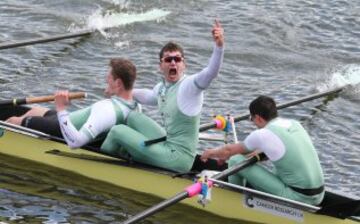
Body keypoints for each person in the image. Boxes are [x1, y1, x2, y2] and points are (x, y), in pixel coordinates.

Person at [100, 20, 225, 172]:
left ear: (183, 65)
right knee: (133, 117)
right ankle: (124, 149)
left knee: (117, 131)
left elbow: (211, 72)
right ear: (161, 66)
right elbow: (147, 96)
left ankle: (102, 164)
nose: (173, 63)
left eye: (177, 59)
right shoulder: (162, 87)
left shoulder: (190, 86)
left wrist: (219, 46)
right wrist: (117, 90)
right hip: (169, 143)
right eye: (168, 59)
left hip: (178, 158)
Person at [200, 96, 325, 205]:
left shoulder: (263, 134)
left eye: (252, 119)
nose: (253, 122)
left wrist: (210, 153)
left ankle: (234, 199)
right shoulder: (294, 124)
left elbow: (228, 151)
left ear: (258, 118)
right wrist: (261, 152)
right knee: (280, 164)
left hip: (299, 198)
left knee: (234, 160)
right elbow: (279, 147)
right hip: (319, 195)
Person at [6, 58, 140, 149]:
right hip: (71, 120)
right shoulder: (136, 106)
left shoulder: (106, 109)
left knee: (13, 121)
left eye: (108, 79)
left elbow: (75, 142)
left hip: (62, 130)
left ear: (118, 83)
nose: (106, 80)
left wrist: (61, 108)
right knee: (34, 111)